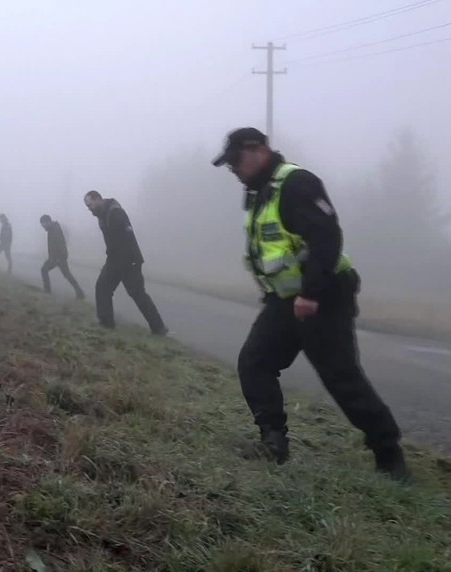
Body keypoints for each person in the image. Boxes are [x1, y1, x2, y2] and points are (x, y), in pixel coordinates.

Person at [211, 126, 408, 481]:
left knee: (341, 378)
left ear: (258, 151)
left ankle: (389, 455)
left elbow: (327, 238)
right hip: (285, 301)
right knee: (254, 362)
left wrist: (311, 294)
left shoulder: (297, 183)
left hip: (325, 296)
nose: (234, 170)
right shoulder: (259, 193)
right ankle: (273, 442)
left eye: (236, 162)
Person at [83, 190, 168, 335]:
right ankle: (106, 324)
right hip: (114, 259)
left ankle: (159, 328)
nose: (89, 209)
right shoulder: (102, 216)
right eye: (87, 206)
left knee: (137, 294)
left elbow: (126, 239)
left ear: (98, 199)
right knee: (102, 287)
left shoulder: (115, 213)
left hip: (129, 260)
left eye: (90, 204)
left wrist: (126, 262)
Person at [39, 214, 84, 299]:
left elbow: (60, 244)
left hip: (58, 257)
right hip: (55, 257)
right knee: (66, 274)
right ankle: (80, 292)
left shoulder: (54, 229)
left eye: (43, 224)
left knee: (45, 270)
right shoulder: (51, 229)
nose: (42, 226)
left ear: (47, 222)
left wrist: (59, 258)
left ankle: (47, 290)